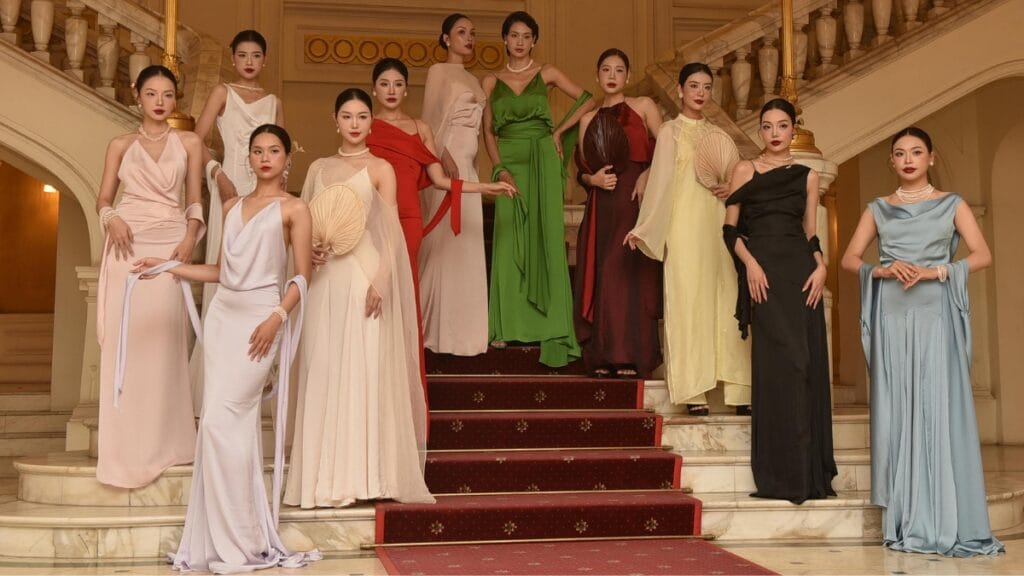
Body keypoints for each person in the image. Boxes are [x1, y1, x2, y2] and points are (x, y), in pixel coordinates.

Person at [135, 124, 317, 573]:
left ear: (287, 158)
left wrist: (276, 318)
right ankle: (225, 537)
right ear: (249, 158)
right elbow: (220, 270)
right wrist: (168, 266)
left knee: (221, 421)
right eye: (257, 151)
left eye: (274, 150)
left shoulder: (295, 208)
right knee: (222, 426)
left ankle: (242, 539)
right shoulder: (232, 206)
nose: (265, 157)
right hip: (223, 320)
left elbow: (302, 276)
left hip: (261, 318)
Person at [841, 127, 1004, 556]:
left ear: (931, 157)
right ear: (892, 161)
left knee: (937, 406)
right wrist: (882, 270)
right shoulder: (878, 209)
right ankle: (906, 518)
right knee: (900, 409)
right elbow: (850, 258)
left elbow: (982, 254)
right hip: (892, 315)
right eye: (900, 153)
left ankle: (944, 516)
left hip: (936, 313)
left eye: (917, 152)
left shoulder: (952, 204)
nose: (908, 159)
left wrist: (937, 271)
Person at [284, 89, 435, 508]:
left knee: (365, 369)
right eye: (347, 116)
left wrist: (382, 281)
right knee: (323, 366)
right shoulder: (318, 168)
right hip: (326, 277)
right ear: (334, 120)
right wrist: (309, 251)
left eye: (362, 116)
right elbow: (304, 224)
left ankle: (367, 477)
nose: (354, 124)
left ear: (372, 122)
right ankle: (322, 479)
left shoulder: (381, 168)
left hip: (365, 275)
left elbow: (392, 234)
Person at [367, 58, 514, 389]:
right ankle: (373, 377)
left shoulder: (421, 128)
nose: (391, 90)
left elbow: (440, 180)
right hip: (371, 221)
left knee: (402, 294)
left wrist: (485, 187)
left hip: (408, 221)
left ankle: (400, 383)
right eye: (384, 84)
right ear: (374, 89)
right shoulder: (365, 126)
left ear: (406, 90)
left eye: (398, 84)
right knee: (373, 292)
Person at [94, 65, 204, 488]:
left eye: (168, 94)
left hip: (170, 244)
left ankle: (165, 443)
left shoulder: (189, 142)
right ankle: (124, 451)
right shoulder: (120, 144)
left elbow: (193, 200)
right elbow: (104, 198)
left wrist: (190, 238)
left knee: (163, 342)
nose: (160, 101)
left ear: (176, 99)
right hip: (127, 243)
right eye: (152, 93)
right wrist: (112, 218)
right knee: (128, 341)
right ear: (136, 95)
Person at [722, 98, 836, 504]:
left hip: (801, 275)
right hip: (764, 276)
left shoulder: (808, 175)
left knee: (804, 366)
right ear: (760, 131)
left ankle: (805, 474)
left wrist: (821, 266)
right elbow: (730, 231)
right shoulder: (744, 170)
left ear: (793, 129)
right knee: (778, 367)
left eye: (782, 125)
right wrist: (751, 265)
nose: (775, 133)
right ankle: (778, 475)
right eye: (767, 126)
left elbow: (810, 232)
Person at [625, 63, 750, 414]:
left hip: (717, 224)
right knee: (688, 303)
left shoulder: (719, 134)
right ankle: (694, 391)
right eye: (693, 86)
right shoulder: (670, 132)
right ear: (680, 90)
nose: (700, 93)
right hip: (683, 228)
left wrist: (731, 188)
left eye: (706, 87)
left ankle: (739, 391)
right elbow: (661, 183)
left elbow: (736, 177)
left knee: (726, 300)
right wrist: (645, 227)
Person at [484, 10, 595, 367]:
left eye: (526, 36)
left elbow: (588, 99)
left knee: (546, 238)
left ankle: (549, 324)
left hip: (543, 160)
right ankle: (506, 325)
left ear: (534, 41)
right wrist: (499, 168)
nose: (519, 42)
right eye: (514, 35)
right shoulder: (491, 81)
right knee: (507, 238)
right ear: (504, 39)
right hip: (509, 162)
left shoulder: (547, 73)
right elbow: (487, 131)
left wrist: (559, 132)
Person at [191, 29, 283, 410]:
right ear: (232, 59)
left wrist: (280, 195)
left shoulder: (274, 102)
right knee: (226, 273)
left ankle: (260, 373)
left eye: (256, 55)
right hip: (229, 190)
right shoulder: (222, 93)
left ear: (264, 60)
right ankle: (217, 376)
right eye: (242, 55)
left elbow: (281, 150)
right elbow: (195, 140)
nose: (249, 61)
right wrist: (217, 174)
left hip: (267, 193)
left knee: (265, 272)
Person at [573, 48, 663, 378]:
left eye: (619, 70)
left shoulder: (644, 106)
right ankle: (603, 354)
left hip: (635, 198)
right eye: (606, 70)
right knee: (603, 271)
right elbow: (582, 170)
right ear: (597, 76)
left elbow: (668, 148)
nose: (612, 75)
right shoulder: (587, 119)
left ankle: (628, 354)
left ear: (628, 75)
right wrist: (592, 179)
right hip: (602, 201)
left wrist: (647, 173)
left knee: (623, 270)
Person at [418, 13, 491, 357]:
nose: (469, 37)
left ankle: (464, 332)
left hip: (470, 170)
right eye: (461, 32)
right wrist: (443, 160)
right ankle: (430, 326)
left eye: (472, 32)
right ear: (446, 38)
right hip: (447, 168)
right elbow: (429, 122)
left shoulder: (474, 78)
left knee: (467, 245)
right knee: (443, 244)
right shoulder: (438, 71)